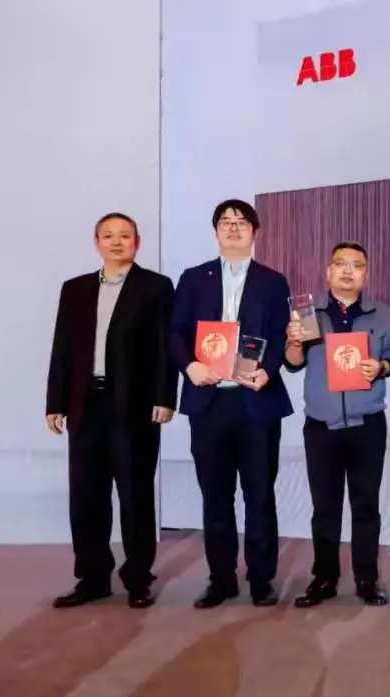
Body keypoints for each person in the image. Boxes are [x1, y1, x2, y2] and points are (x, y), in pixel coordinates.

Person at [45, 212, 177, 609]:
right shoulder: (75, 289)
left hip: (134, 408)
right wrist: (56, 402)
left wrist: (165, 398)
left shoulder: (155, 287)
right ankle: (92, 578)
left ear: (137, 242)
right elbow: (62, 348)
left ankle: (138, 579)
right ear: (96, 242)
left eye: (124, 235)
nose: (116, 242)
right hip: (85, 406)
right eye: (108, 235)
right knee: (86, 496)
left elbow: (165, 348)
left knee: (135, 495)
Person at [169, 199, 292, 609]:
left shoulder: (273, 281)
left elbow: (281, 334)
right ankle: (220, 579)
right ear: (215, 231)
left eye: (242, 222)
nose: (233, 227)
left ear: (255, 231)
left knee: (260, 495)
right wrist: (189, 366)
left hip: (256, 401)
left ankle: (261, 579)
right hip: (209, 402)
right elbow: (175, 332)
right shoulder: (193, 279)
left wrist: (268, 370)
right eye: (226, 221)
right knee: (215, 496)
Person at [284, 242, 390, 607]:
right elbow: (293, 363)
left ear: (366, 273)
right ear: (328, 271)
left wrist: (380, 367)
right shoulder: (308, 312)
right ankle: (324, 577)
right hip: (321, 426)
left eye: (357, 265)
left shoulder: (383, 315)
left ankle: (367, 578)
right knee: (325, 507)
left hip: (368, 425)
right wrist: (293, 341)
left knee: (366, 505)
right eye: (341, 264)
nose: (348, 271)